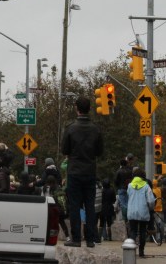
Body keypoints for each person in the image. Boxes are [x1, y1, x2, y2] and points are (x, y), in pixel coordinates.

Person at [62, 96, 104, 248]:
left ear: (76, 108)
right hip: (90, 171)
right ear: (90, 109)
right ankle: (91, 239)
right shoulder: (96, 128)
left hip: (74, 171)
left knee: (74, 205)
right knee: (90, 205)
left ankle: (76, 238)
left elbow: (64, 149)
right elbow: (99, 151)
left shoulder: (70, 128)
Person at [127, 167, 155, 258]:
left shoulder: (129, 185)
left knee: (133, 231)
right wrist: (151, 208)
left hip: (132, 212)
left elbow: (128, 196)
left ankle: (131, 251)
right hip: (143, 212)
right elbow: (151, 201)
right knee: (142, 231)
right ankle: (141, 251)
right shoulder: (146, 186)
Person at [45, 175, 71, 241]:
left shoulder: (51, 189)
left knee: (53, 223)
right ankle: (67, 237)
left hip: (57, 210)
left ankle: (52, 236)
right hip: (64, 209)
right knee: (61, 222)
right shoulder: (59, 187)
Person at [114, 158, 133, 231]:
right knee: (129, 203)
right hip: (128, 188)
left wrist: (118, 186)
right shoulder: (130, 171)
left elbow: (116, 180)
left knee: (123, 204)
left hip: (121, 188)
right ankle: (130, 217)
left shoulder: (119, 171)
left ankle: (126, 218)